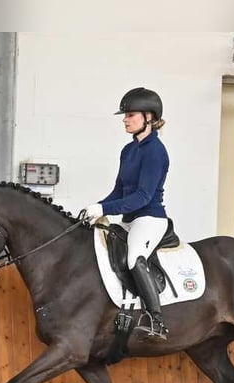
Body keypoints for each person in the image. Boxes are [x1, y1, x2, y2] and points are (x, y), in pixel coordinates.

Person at [82, 87, 171, 341]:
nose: (125, 119)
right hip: (129, 219)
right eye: (125, 115)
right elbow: (118, 192)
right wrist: (95, 208)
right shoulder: (128, 150)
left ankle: (157, 320)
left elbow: (142, 197)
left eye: (130, 115)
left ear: (149, 118)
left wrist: (105, 209)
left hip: (149, 218)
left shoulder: (156, 151)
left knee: (134, 257)